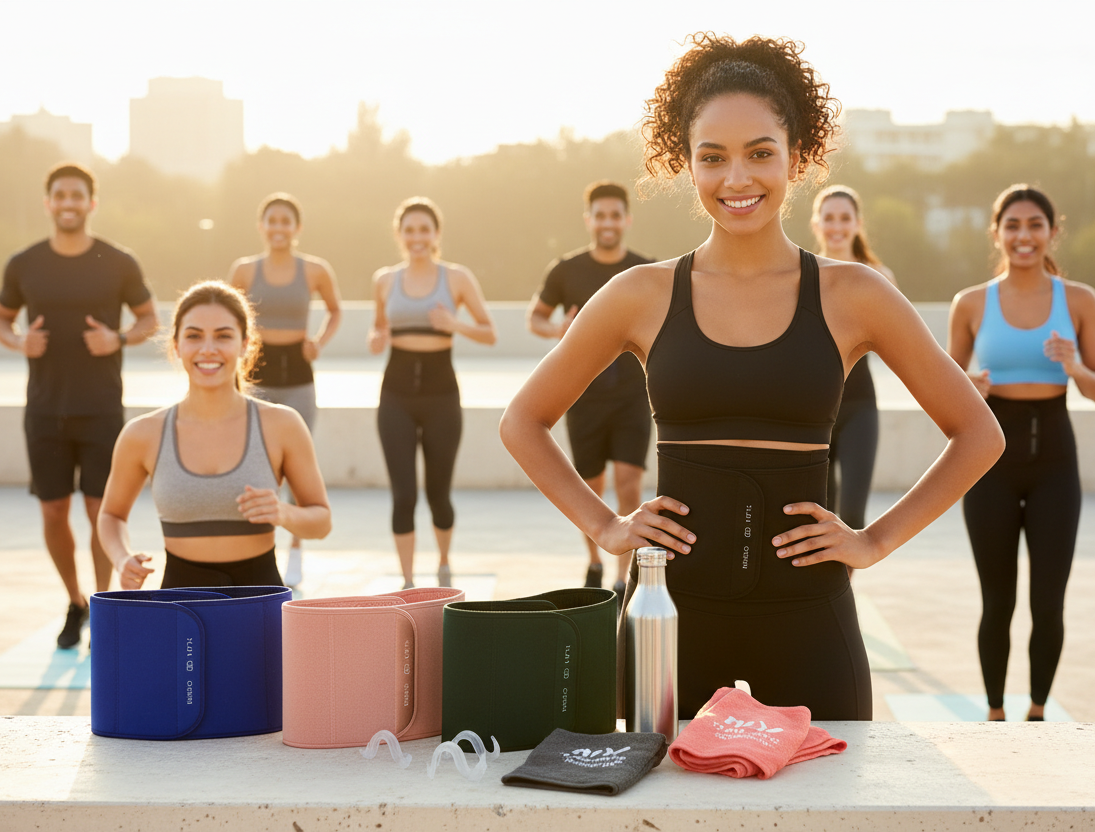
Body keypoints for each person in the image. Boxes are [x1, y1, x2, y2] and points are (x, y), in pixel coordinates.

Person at [500, 33, 1004, 720]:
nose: (737, 179)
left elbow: (978, 433)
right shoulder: (639, 294)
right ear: (687, 164)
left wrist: (872, 541)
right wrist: (608, 527)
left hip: (810, 623)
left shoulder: (853, 294)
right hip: (670, 621)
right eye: (713, 158)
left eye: (760, 152)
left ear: (797, 157)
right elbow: (521, 421)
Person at [947, 184, 1095, 722]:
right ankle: (995, 713)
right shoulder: (969, 303)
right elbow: (946, 395)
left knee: (1048, 602)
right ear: (997, 233)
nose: (1023, 236)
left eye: (1035, 225)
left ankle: (1037, 713)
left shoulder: (1079, 300)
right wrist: (972, 385)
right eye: (1012, 225)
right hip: (990, 464)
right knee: (998, 601)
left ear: (1052, 231)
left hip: (1056, 462)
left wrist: (1074, 365)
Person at [0, 162, 158, 649]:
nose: (68, 203)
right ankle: (75, 601)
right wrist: (18, 341)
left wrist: (120, 337)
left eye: (77, 196)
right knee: (52, 512)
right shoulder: (24, 263)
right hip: (44, 410)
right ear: (49, 203)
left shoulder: (118, 261)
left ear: (91, 202)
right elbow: (0, 321)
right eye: (59, 196)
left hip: (102, 408)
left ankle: (103, 604)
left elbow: (150, 317)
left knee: (98, 510)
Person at [97, 281, 331, 590]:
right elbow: (111, 515)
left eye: (223, 336)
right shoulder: (143, 434)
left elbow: (321, 521)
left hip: (259, 604)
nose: (208, 349)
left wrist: (283, 512)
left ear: (246, 344)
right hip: (181, 606)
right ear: (176, 345)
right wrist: (121, 557)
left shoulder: (282, 424)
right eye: (194, 336)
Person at [527, 181, 653, 597]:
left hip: (634, 396)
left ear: (627, 220)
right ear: (589, 220)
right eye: (600, 215)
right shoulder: (566, 270)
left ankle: (622, 577)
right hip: (582, 396)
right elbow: (536, 318)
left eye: (615, 214)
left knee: (630, 483)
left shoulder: (645, 271)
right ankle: (596, 562)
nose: (608, 222)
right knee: (592, 486)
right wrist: (556, 330)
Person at [368, 198, 496, 589]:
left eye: (424, 229)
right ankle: (407, 582)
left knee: (438, 493)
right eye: (410, 230)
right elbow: (377, 330)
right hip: (395, 395)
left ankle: (442, 563)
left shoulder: (456, 277)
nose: (417, 237)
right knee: (403, 494)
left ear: (436, 234)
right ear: (400, 234)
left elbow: (489, 332)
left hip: (441, 396)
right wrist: (377, 338)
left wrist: (453, 323)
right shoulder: (385, 280)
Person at [228, 193, 341, 587]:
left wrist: (319, 342)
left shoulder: (314, 270)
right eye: (271, 221)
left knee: (296, 470)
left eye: (286, 222)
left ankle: (296, 551)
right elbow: (227, 316)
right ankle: (257, 549)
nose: (278, 229)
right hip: (255, 375)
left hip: (298, 376)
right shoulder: (244, 270)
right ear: (261, 226)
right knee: (252, 465)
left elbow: (335, 309)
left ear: (297, 228)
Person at [810, 185, 897, 535]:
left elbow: (899, 346)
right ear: (816, 224)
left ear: (858, 223)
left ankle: (844, 591)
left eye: (844, 218)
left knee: (852, 517)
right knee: (815, 515)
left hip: (860, 406)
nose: (836, 226)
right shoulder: (801, 274)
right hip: (812, 409)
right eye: (828, 218)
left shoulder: (879, 278)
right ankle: (817, 591)